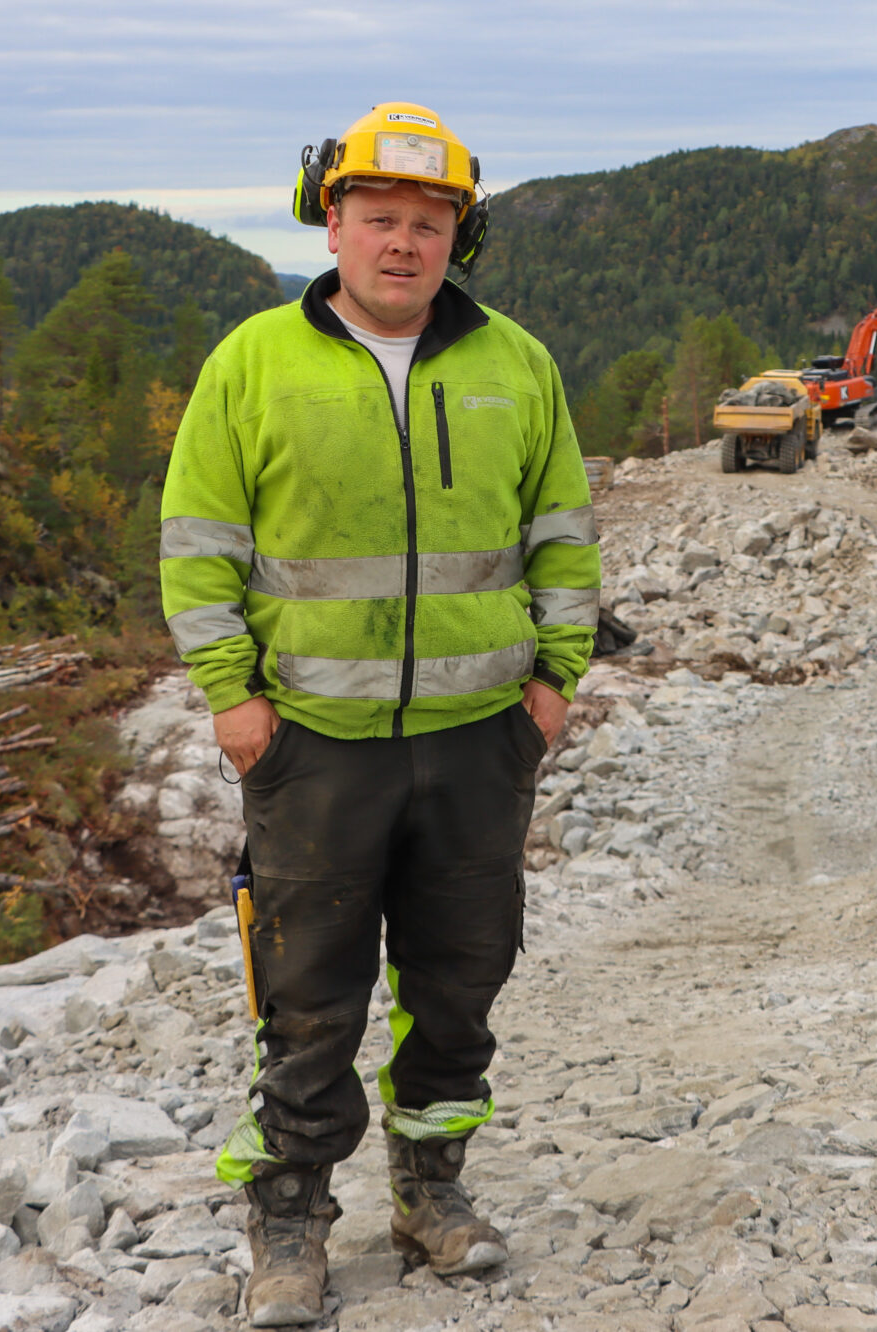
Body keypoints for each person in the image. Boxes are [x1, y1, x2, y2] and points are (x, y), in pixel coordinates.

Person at [158, 101, 599, 1327]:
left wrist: (554, 687)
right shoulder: (254, 363)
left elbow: (562, 536)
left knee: (460, 982)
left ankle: (431, 1195)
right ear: (333, 222)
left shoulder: (518, 364)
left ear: (462, 235)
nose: (405, 243)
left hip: (478, 744)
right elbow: (198, 549)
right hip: (314, 748)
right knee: (308, 994)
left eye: (430, 221)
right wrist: (233, 700)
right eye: (381, 218)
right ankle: (291, 1221)